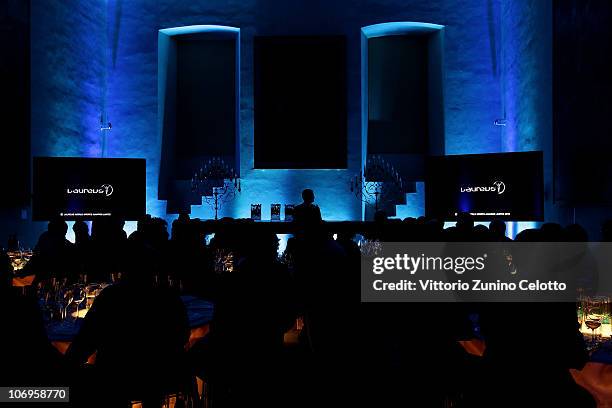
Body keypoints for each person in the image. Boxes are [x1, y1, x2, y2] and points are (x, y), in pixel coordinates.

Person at [66, 242, 190, 406]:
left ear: (123, 269)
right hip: (161, 380)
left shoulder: (110, 297)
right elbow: (182, 336)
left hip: (115, 380)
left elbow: (85, 341)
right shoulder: (169, 298)